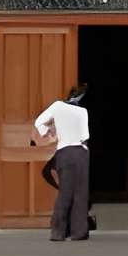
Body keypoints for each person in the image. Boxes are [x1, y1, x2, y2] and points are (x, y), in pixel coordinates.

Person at [34, 84, 91, 242]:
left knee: (65, 192)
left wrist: (49, 133)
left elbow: (39, 122)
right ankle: (78, 232)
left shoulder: (57, 106)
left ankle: (58, 232)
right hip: (80, 152)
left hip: (64, 152)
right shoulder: (82, 111)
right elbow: (85, 135)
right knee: (80, 193)